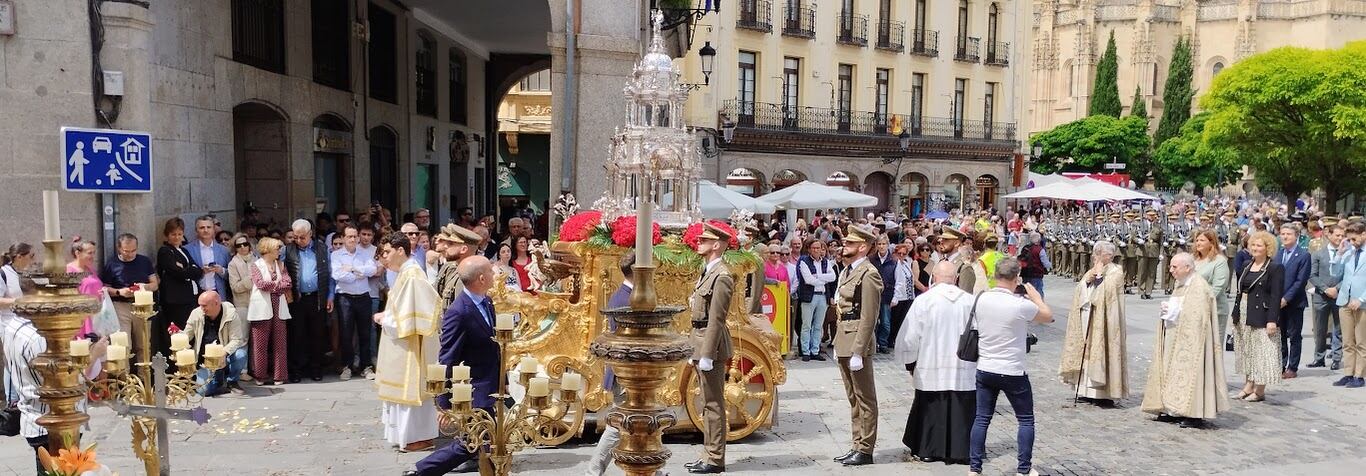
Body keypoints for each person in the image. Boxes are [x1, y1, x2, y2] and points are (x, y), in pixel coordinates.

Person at [410, 255, 496, 475]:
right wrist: (444, 401)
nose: (494, 274)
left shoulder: (487, 302)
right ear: (481, 278)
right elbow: (447, 356)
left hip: (491, 386)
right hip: (473, 389)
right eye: (490, 271)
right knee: (471, 443)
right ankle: (421, 470)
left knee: (485, 443)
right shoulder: (459, 312)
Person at [968, 260, 1052, 476]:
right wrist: (1035, 297)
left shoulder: (981, 299)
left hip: (986, 366)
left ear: (995, 276)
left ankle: (974, 469)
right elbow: (1047, 317)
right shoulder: (1020, 304)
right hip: (1012, 368)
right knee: (1025, 420)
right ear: (1017, 279)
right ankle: (1023, 469)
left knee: (981, 418)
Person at [896, 260, 975, 464]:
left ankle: (928, 448)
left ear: (935, 278)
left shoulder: (924, 301)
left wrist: (909, 361)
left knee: (931, 408)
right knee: (960, 410)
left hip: (931, 362)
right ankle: (960, 451)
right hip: (962, 366)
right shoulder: (969, 301)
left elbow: (910, 336)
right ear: (955, 279)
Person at [1140, 253, 1230, 429]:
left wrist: (1176, 310)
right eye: (1171, 266)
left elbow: (1198, 315)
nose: (1170, 270)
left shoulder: (1199, 286)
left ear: (1187, 268)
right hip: (1176, 335)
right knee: (1172, 371)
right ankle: (1172, 410)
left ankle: (1193, 414)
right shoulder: (1181, 284)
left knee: (1192, 375)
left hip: (1193, 341)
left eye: (1175, 267)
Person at [375, 232, 441, 456]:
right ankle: (408, 436)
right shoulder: (405, 273)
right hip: (401, 343)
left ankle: (418, 437)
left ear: (400, 250)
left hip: (410, 344)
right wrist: (388, 315)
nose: (384, 258)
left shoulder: (412, 274)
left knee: (411, 388)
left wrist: (387, 319)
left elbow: (418, 311)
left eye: (387, 252)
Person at [684, 223, 737, 474]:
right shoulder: (708, 271)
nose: (699, 241)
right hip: (700, 339)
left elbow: (716, 318)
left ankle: (715, 458)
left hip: (711, 345)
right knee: (706, 402)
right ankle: (708, 453)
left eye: (704, 239)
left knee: (713, 403)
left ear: (716, 245)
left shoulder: (722, 275)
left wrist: (706, 353)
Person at [831, 225, 883, 467]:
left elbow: (869, 316)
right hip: (845, 338)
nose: (845, 246)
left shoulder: (868, 273)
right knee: (853, 398)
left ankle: (865, 448)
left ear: (863, 247)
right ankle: (856, 444)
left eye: (850, 244)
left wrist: (859, 350)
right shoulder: (849, 271)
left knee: (865, 399)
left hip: (857, 343)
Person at [1059, 240, 1129, 407]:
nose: (1095, 257)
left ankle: (1103, 393)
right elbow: (1080, 290)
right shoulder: (1091, 270)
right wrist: (1087, 281)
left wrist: (1099, 277)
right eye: (1096, 253)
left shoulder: (1116, 271)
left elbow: (1110, 292)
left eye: (1099, 254)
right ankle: (1085, 390)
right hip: (1088, 314)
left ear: (1109, 256)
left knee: (1101, 349)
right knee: (1086, 349)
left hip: (1105, 320)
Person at [1231, 231, 1284, 400]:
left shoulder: (1275, 268)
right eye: (1253, 244)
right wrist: (1236, 313)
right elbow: (1240, 290)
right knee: (1247, 351)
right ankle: (1248, 385)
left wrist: (1272, 320)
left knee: (1262, 351)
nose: (1255, 248)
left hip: (1262, 312)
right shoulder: (1247, 264)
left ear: (1267, 248)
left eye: (1259, 245)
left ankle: (1259, 389)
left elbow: (1276, 296)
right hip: (1244, 309)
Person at [284, 219, 332, 383]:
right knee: (297, 335)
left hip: (317, 298)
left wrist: (330, 296)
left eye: (302, 237)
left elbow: (329, 274)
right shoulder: (288, 250)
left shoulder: (322, 248)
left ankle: (316, 368)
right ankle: (296, 370)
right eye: (295, 237)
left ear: (310, 234)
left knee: (317, 335)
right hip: (297, 299)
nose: (298, 241)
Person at [100, 233, 159, 363]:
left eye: (133, 251)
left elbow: (155, 284)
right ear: (119, 248)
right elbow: (105, 288)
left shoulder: (144, 261)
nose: (130, 254)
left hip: (142, 305)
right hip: (121, 306)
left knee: (144, 345)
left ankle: (145, 379)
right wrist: (119, 292)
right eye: (127, 251)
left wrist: (144, 287)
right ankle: (125, 379)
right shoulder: (112, 264)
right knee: (122, 345)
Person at [331, 224, 377, 381]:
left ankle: (366, 366)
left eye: (354, 236)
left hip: (364, 296)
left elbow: (372, 270)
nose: (352, 239)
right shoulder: (336, 255)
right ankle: (347, 366)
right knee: (346, 333)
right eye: (349, 236)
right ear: (343, 238)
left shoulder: (365, 253)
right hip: (345, 298)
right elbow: (338, 275)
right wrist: (359, 273)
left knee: (365, 333)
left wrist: (352, 269)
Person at [156, 217, 204, 358]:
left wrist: (188, 270)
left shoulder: (183, 250)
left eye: (179, 234)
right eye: (173, 234)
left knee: (190, 332)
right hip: (175, 301)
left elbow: (198, 270)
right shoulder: (165, 251)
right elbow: (177, 272)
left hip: (189, 298)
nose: (177, 237)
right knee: (178, 333)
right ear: (167, 235)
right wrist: (188, 270)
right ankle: (176, 365)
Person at [185, 291, 248, 396]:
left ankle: (232, 381)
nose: (202, 309)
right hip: (205, 361)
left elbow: (237, 340)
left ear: (216, 303)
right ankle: (217, 381)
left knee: (240, 354)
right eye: (200, 305)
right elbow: (187, 335)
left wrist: (224, 352)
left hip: (224, 357)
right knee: (203, 391)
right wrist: (178, 335)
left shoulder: (231, 314)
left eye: (204, 306)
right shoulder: (196, 314)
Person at [248, 237, 292, 385]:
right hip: (261, 306)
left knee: (280, 342)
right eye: (277, 248)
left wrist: (274, 285)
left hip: (278, 305)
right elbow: (260, 284)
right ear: (267, 249)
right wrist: (277, 285)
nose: (279, 251)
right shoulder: (256, 265)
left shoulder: (280, 264)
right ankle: (260, 375)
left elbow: (288, 283)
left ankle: (279, 375)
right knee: (260, 343)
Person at [1331, 222, 1366, 388]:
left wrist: (1361, 299)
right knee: (1347, 340)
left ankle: (1359, 376)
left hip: (1361, 303)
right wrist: (1339, 254)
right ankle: (1348, 373)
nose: (1352, 242)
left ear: (1364, 234)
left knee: (1361, 341)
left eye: (1354, 238)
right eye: (1349, 239)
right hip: (1344, 300)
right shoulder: (1349, 252)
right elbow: (1335, 274)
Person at [1276, 224, 1312, 379]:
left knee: (1295, 335)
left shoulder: (1303, 255)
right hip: (1278, 301)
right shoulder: (1278, 254)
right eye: (1282, 234)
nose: (1284, 237)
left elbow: (1300, 281)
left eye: (1288, 234)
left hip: (1294, 302)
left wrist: (1286, 298)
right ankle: (1281, 365)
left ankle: (1293, 367)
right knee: (1280, 334)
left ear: (1296, 235)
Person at [1308, 221, 1345, 370]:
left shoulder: (1346, 254)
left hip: (1339, 295)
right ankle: (1319, 358)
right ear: (1329, 235)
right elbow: (1312, 275)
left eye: (1342, 236)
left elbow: (1348, 275)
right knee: (1320, 329)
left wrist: (1336, 288)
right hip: (1321, 296)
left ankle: (1337, 358)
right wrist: (1325, 289)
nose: (1340, 238)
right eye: (1337, 235)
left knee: (1338, 328)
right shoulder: (1318, 253)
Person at [796, 239, 837, 362]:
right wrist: (824, 279)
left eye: (818, 248)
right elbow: (808, 280)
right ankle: (805, 351)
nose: (816, 250)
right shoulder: (804, 261)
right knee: (806, 325)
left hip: (822, 296)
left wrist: (818, 276)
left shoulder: (826, 262)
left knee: (818, 326)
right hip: (809, 296)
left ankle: (815, 350)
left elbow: (833, 277)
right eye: (813, 248)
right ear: (809, 249)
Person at [1192, 229, 1232, 342]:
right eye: (1197, 240)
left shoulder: (1219, 261)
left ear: (1211, 242)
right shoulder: (1193, 259)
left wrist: (1200, 301)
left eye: (1202, 240)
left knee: (1213, 347)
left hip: (1214, 309)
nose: (1198, 243)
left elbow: (1218, 287)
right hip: (1194, 309)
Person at [188, 215, 231, 299]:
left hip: (218, 293)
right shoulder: (188, 249)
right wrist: (201, 271)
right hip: (197, 294)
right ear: (196, 230)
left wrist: (221, 270)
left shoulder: (224, 250)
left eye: (208, 227)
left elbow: (232, 274)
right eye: (202, 228)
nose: (205, 230)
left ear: (213, 229)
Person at [889, 243, 918, 351]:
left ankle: (899, 339)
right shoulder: (895, 264)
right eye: (899, 253)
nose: (901, 255)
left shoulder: (906, 263)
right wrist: (895, 297)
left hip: (908, 296)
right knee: (895, 320)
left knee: (903, 320)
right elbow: (898, 281)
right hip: (899, 297)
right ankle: (892, 339)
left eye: (904, 254)